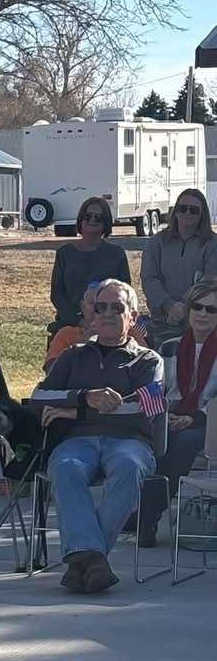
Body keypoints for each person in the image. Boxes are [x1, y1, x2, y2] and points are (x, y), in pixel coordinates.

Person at [31, 279, 162, 593]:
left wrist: (77, 411)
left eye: (117, 308)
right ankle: (93, 561)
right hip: (79, 442)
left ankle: (83, 560)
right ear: (91, 314)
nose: (106, 313)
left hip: (131, 442)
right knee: (65, 467)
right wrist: (82, 397)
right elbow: (38, 396)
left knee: (128, 467)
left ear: (132, 317)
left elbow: (148, 408)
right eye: (100, 306)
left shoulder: (148, 360)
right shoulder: (73, 356)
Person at [137, 277, 217, 547]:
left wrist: (195, 417)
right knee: (157, 442)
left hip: (211, 423)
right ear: (189, 310)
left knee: (181, 442)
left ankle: (146, 518)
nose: (203, 314)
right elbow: (156, 389)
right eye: (198, 307)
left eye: (212, 309)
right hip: (170, 418)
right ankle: (142, 513)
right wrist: (165, 415)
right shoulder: (169, 347)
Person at [140, 189, 217, 339]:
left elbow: (209, 281)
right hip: (162, 322)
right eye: (183, 208)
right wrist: (168, 305)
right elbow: (149, 278)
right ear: (175, 212)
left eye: (193, 210)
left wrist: (184, 307)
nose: (187, 213)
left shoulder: (213, 244)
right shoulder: (156, 242)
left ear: (202, 215)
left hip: (200, 323)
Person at [49, 197, 130, 333]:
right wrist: (79, 321)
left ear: (106, 223)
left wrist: (102, 320)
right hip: (70, 325)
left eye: (98, 217)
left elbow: (124, 293)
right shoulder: (64, 253)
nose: (92, 220)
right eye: (87, 216)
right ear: (81, 219)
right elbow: (57, 294)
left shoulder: (117, 254)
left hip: (108, 323)